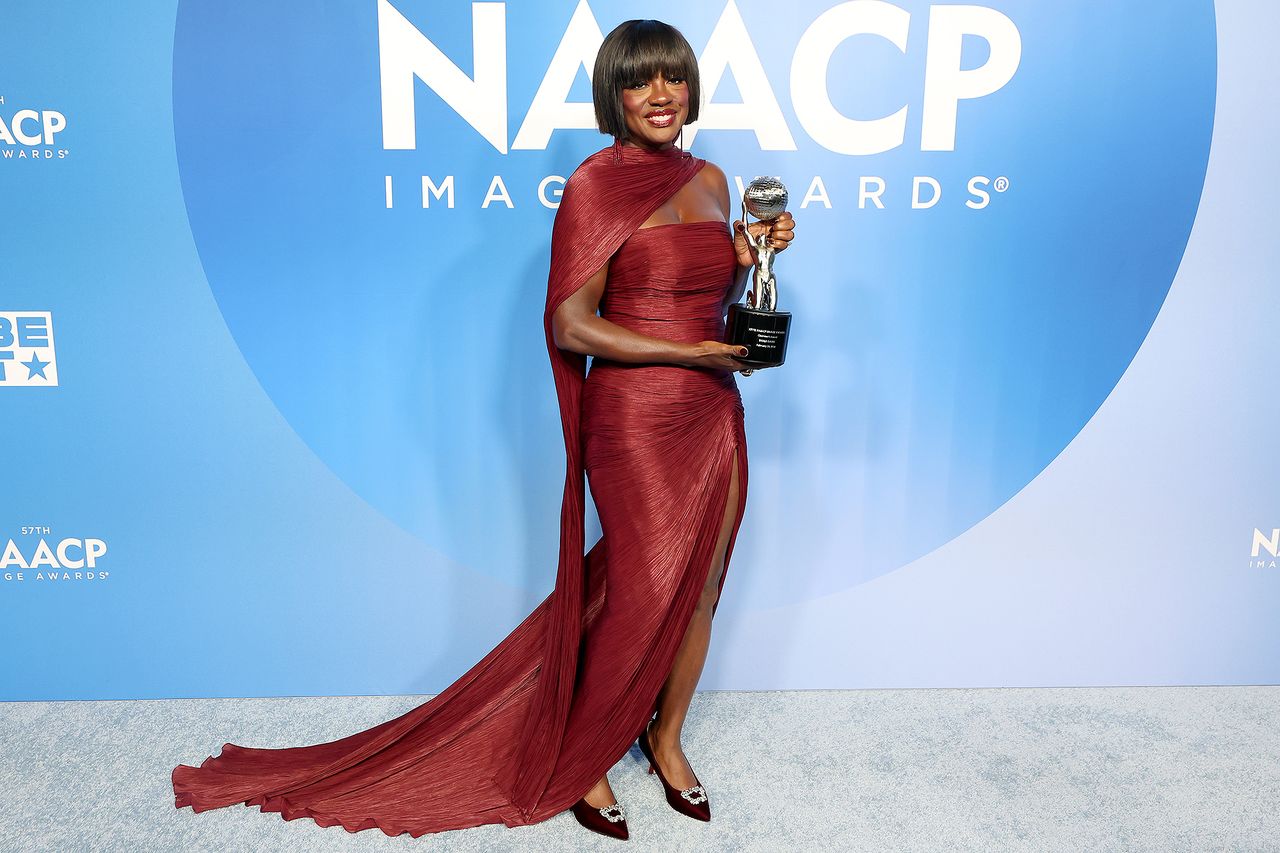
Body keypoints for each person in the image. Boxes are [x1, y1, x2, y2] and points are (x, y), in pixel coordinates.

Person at [171, 18, 796, 843]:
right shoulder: (594, 185)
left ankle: (664, 736)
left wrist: (756, 249)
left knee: (703, 585)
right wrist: (691, 347)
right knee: (642, 594)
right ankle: (584, 754)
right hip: (638, 420)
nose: (659, 96)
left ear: (691, 89)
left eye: (673, 79)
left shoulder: (717, 180)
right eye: (641, 80)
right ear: (614, 92)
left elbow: (716, 291)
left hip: (714, 407)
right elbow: (573, 324)